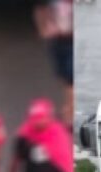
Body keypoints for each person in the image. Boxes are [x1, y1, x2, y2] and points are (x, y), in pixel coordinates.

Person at [33, 0, 73, 128]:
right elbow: (40, 9)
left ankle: (70, 113)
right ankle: (68, 108)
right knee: (63, 77)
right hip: (57, 41)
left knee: (70, 80)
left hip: (69, 41)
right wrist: (43, 29)